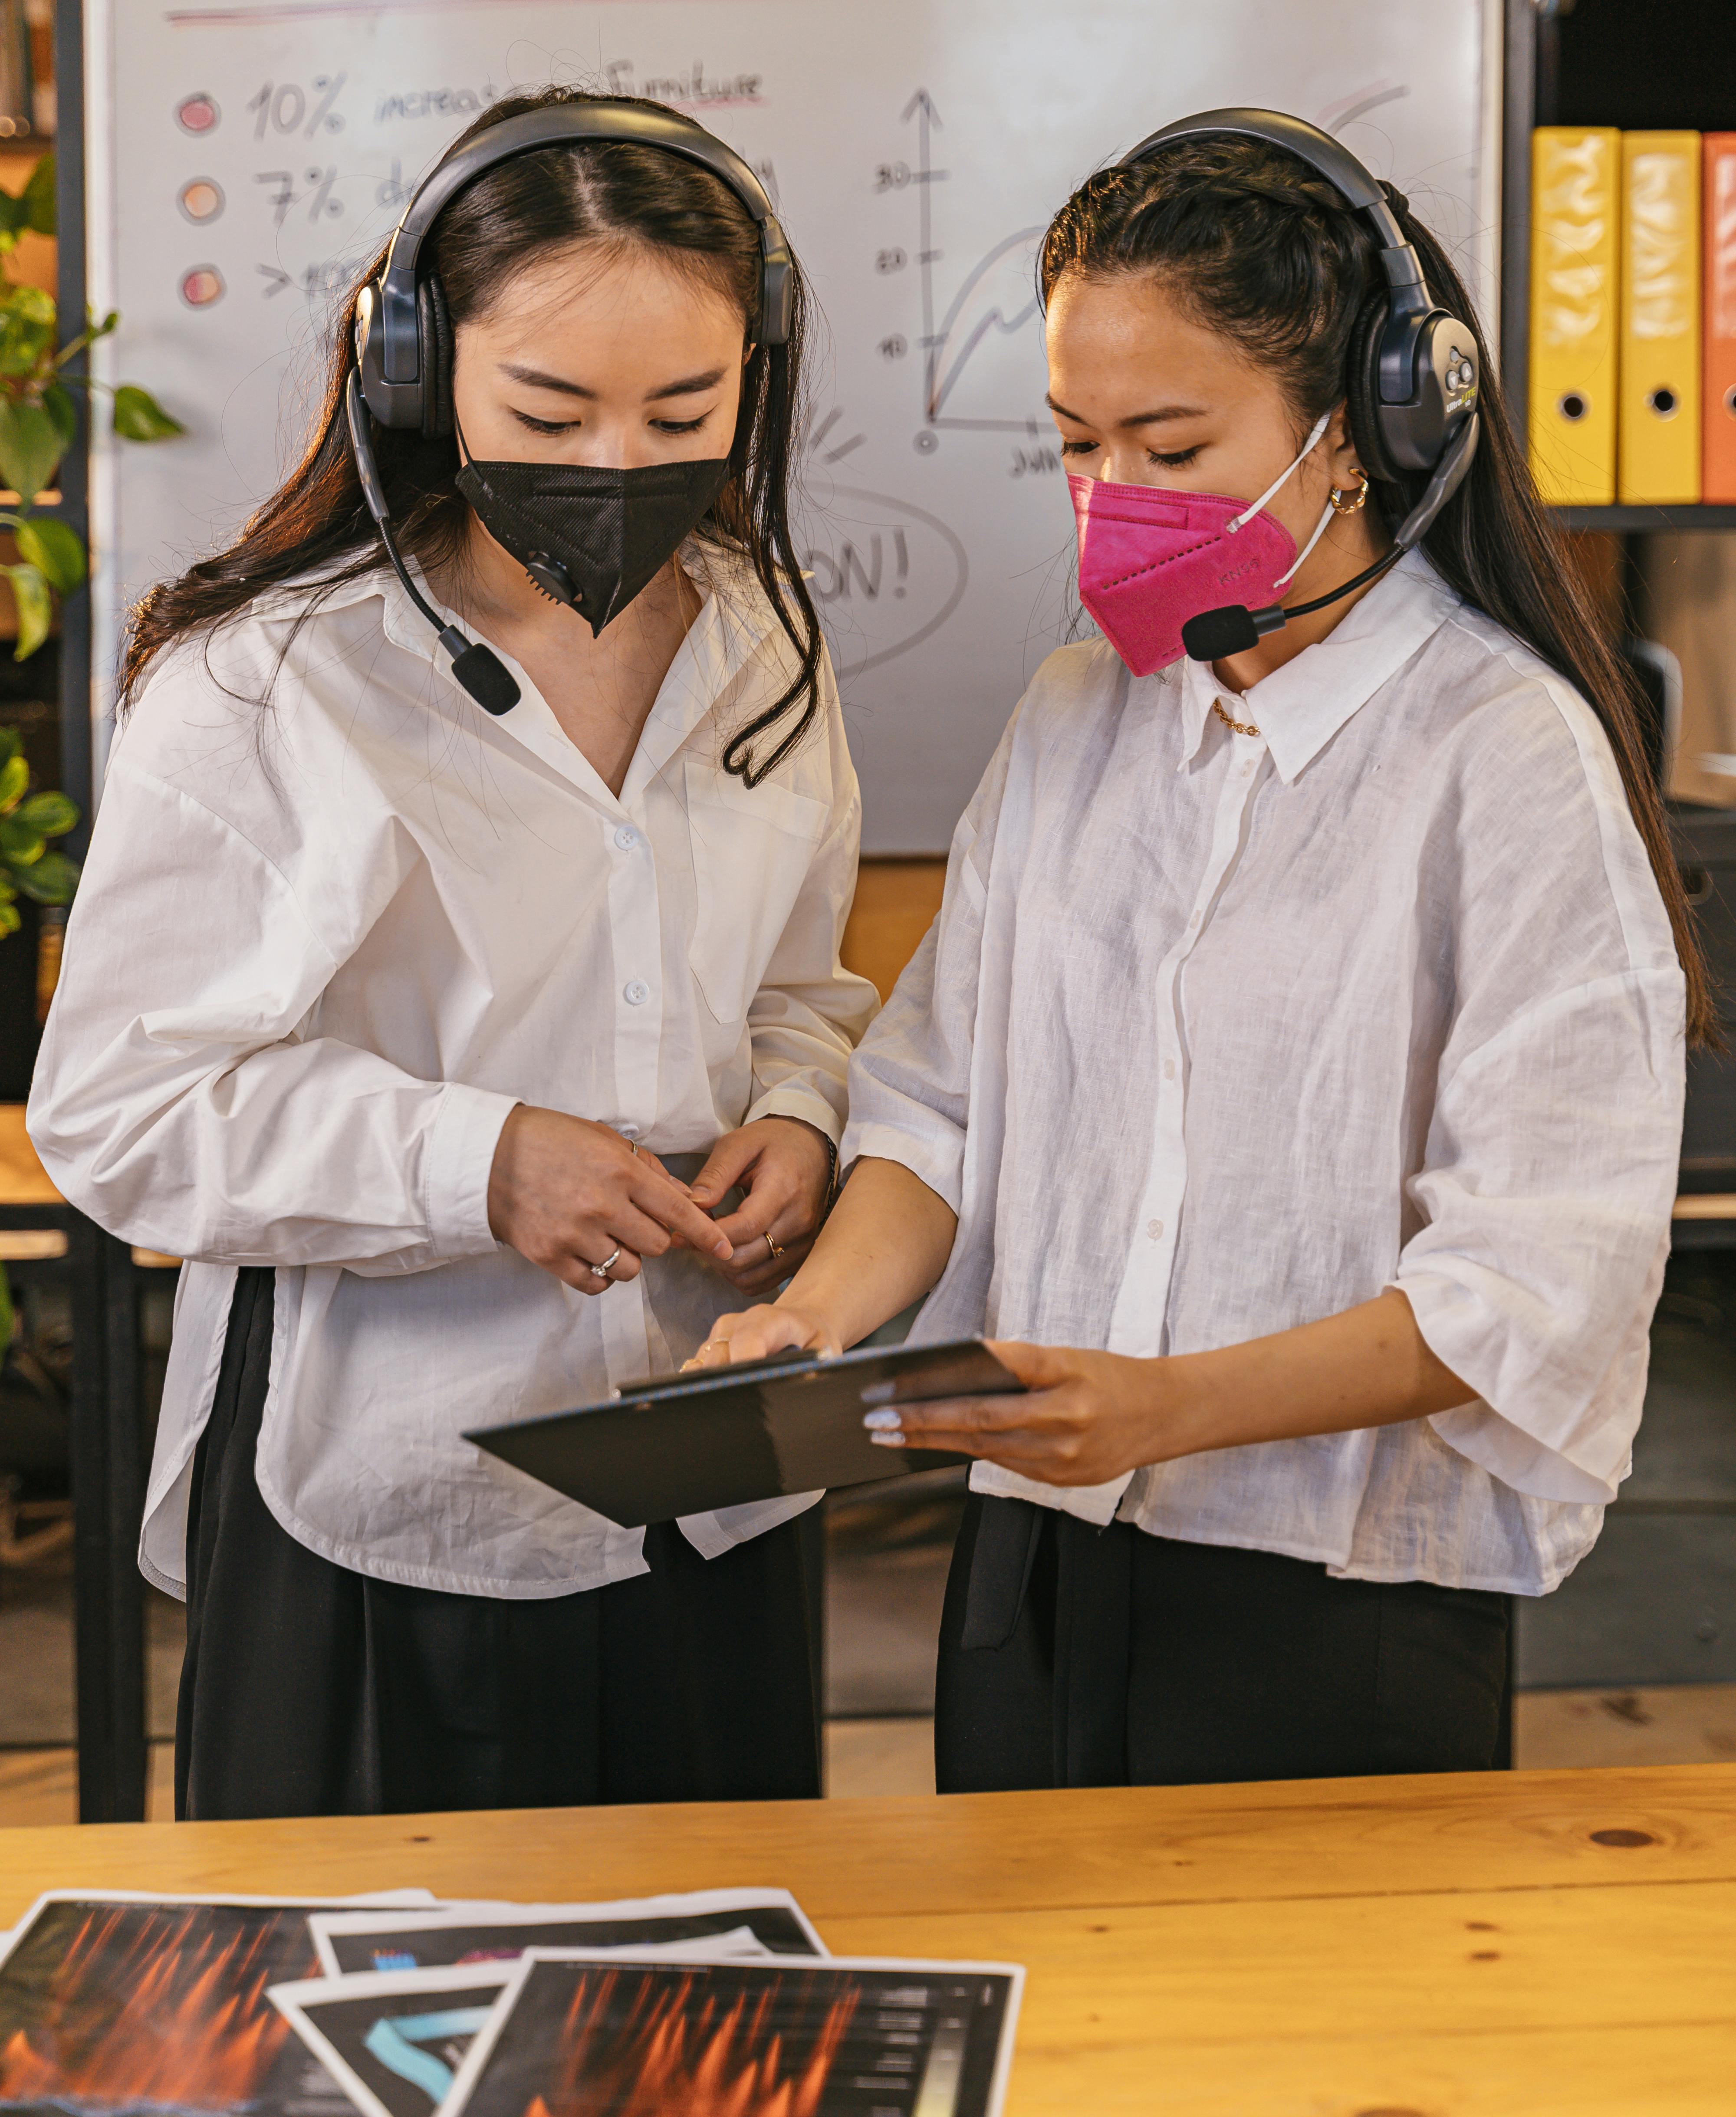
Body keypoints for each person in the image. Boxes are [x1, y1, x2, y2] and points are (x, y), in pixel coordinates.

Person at [695, 114, 1703, 1792]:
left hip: (1340, 1586)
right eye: (1077, 444)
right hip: (1033, 1557)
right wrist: (810, 1324)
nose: (1113, 501)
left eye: (1170, 443)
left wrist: (1169, 1409)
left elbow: (1535, 1278)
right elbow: (937, 1105)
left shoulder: (1504, 755)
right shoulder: (1078, 717)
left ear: (1370, 428)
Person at [29, 90, 877, 1818]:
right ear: (416, 371)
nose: (621, 465)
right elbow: (118, 1110)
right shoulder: (271, 682)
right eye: (551, 410)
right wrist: (473, 1163)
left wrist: (799, 1111)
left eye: (683, 412)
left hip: (719, 1469)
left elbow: (799, 989)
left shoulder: (763, 641)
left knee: (711, 2021)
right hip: (396, 1489)